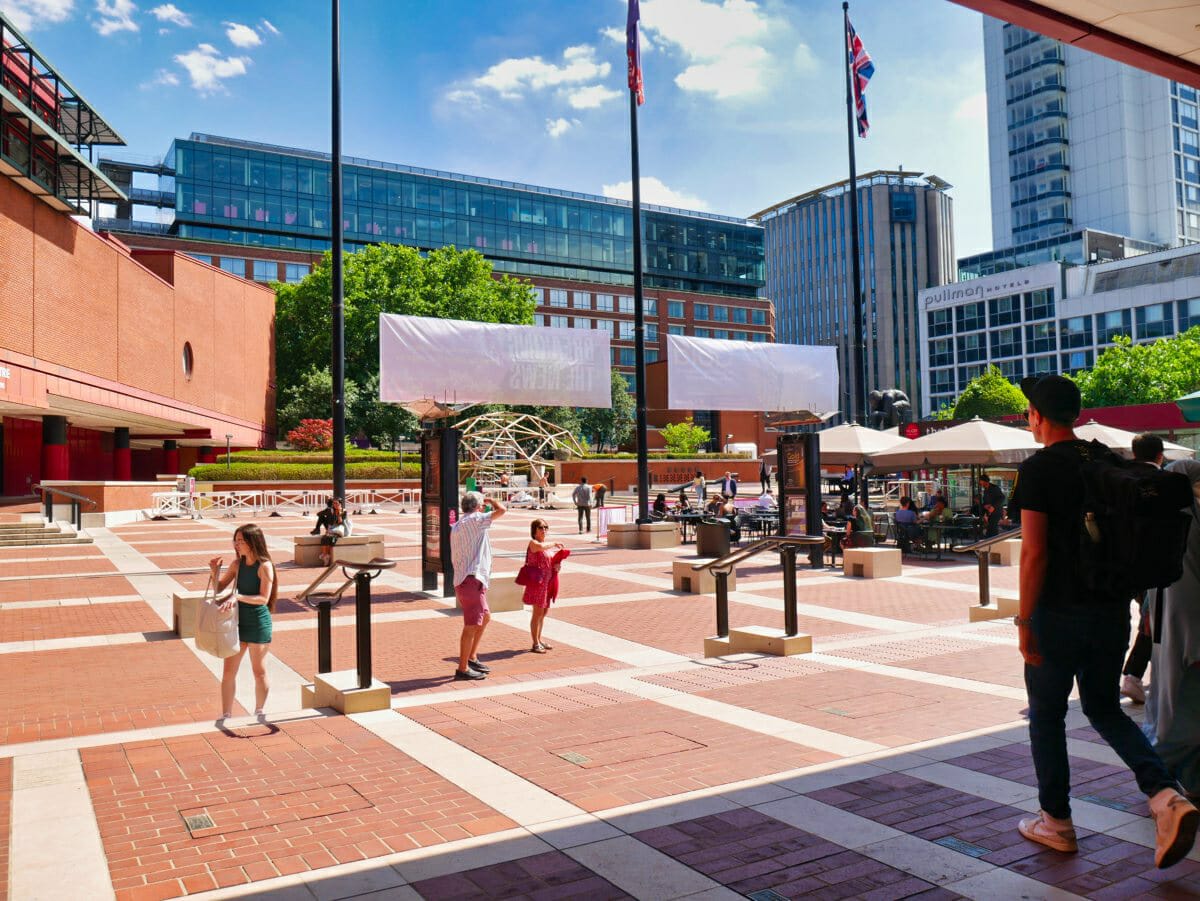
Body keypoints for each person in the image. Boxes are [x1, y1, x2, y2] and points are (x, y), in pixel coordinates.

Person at [1010, 374, 1197, 868]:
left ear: (1038, 416)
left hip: (1057, 614)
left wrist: (1025, 622)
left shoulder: (1040, 470)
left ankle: (1056, 821)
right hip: (1110, 612)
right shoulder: (1106, 460)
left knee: (1047, 715)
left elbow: (1033, 553)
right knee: (1104, 709)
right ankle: (1166, 798)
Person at [1151, 458, 1200, 795]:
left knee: (1173, 699)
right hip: (1185, 623)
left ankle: (1166, 774)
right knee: (1183, 702)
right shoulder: (1190, 517)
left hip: (1172, 623)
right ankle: (1176, 777)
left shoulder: (1163, 519)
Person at [209, 524, 277, 720]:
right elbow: (219, 588)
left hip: (257, 622)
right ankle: (226, 713)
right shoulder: (237, 565)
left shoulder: (265, 566)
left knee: (259, 671)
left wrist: (237, 597)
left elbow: (264, 599)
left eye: (241, 541)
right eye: (235, 541)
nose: (237, 545)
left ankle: (259, 711)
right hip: (236, 623)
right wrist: (215, 572)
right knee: (229, 672)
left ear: (253, 542)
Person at [1121, 433, 1167, 704]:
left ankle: (1129, 674)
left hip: (1120, 564)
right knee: (1151, 620)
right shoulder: (1167, 483)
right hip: (1156, 565)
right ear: (1159, 455)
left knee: (1145, 618)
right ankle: (1134, 675)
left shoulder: (1117, 479)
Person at [449, 491, 506, 681]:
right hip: (471, 580)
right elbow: (502, 510)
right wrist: (490, 500)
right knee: (471, 625)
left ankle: (471, 657)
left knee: (485, 617)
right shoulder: (476, 520)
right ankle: (463, 667)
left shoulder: (458, 525)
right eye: (481, 504)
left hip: (465, 580)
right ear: (477, 506)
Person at [521, 519, 569, 653]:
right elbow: (540, 548)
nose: (544, 530)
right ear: (534, 530)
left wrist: (557, 566)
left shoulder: (545, 546)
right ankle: (535, 643)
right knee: (537, 613)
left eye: (546, 527)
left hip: (547, 583)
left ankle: (539, 639)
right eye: (541, 528)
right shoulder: (534, 543)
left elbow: (550, 562)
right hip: (537, 583)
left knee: (543, 613)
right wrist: (554, 543)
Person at [312, 497, 350, 567]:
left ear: (340, 504)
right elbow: (319, 514)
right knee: (324, 538)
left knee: (330, 539)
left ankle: (326, 556)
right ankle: (325, 555)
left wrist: (338, 512)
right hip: (331, 528)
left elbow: (340, 522)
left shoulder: (344, 511)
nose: (335, 504)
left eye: (336, 503)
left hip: (339, 530)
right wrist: (327, 510)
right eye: (333, 503)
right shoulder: (331, 510)